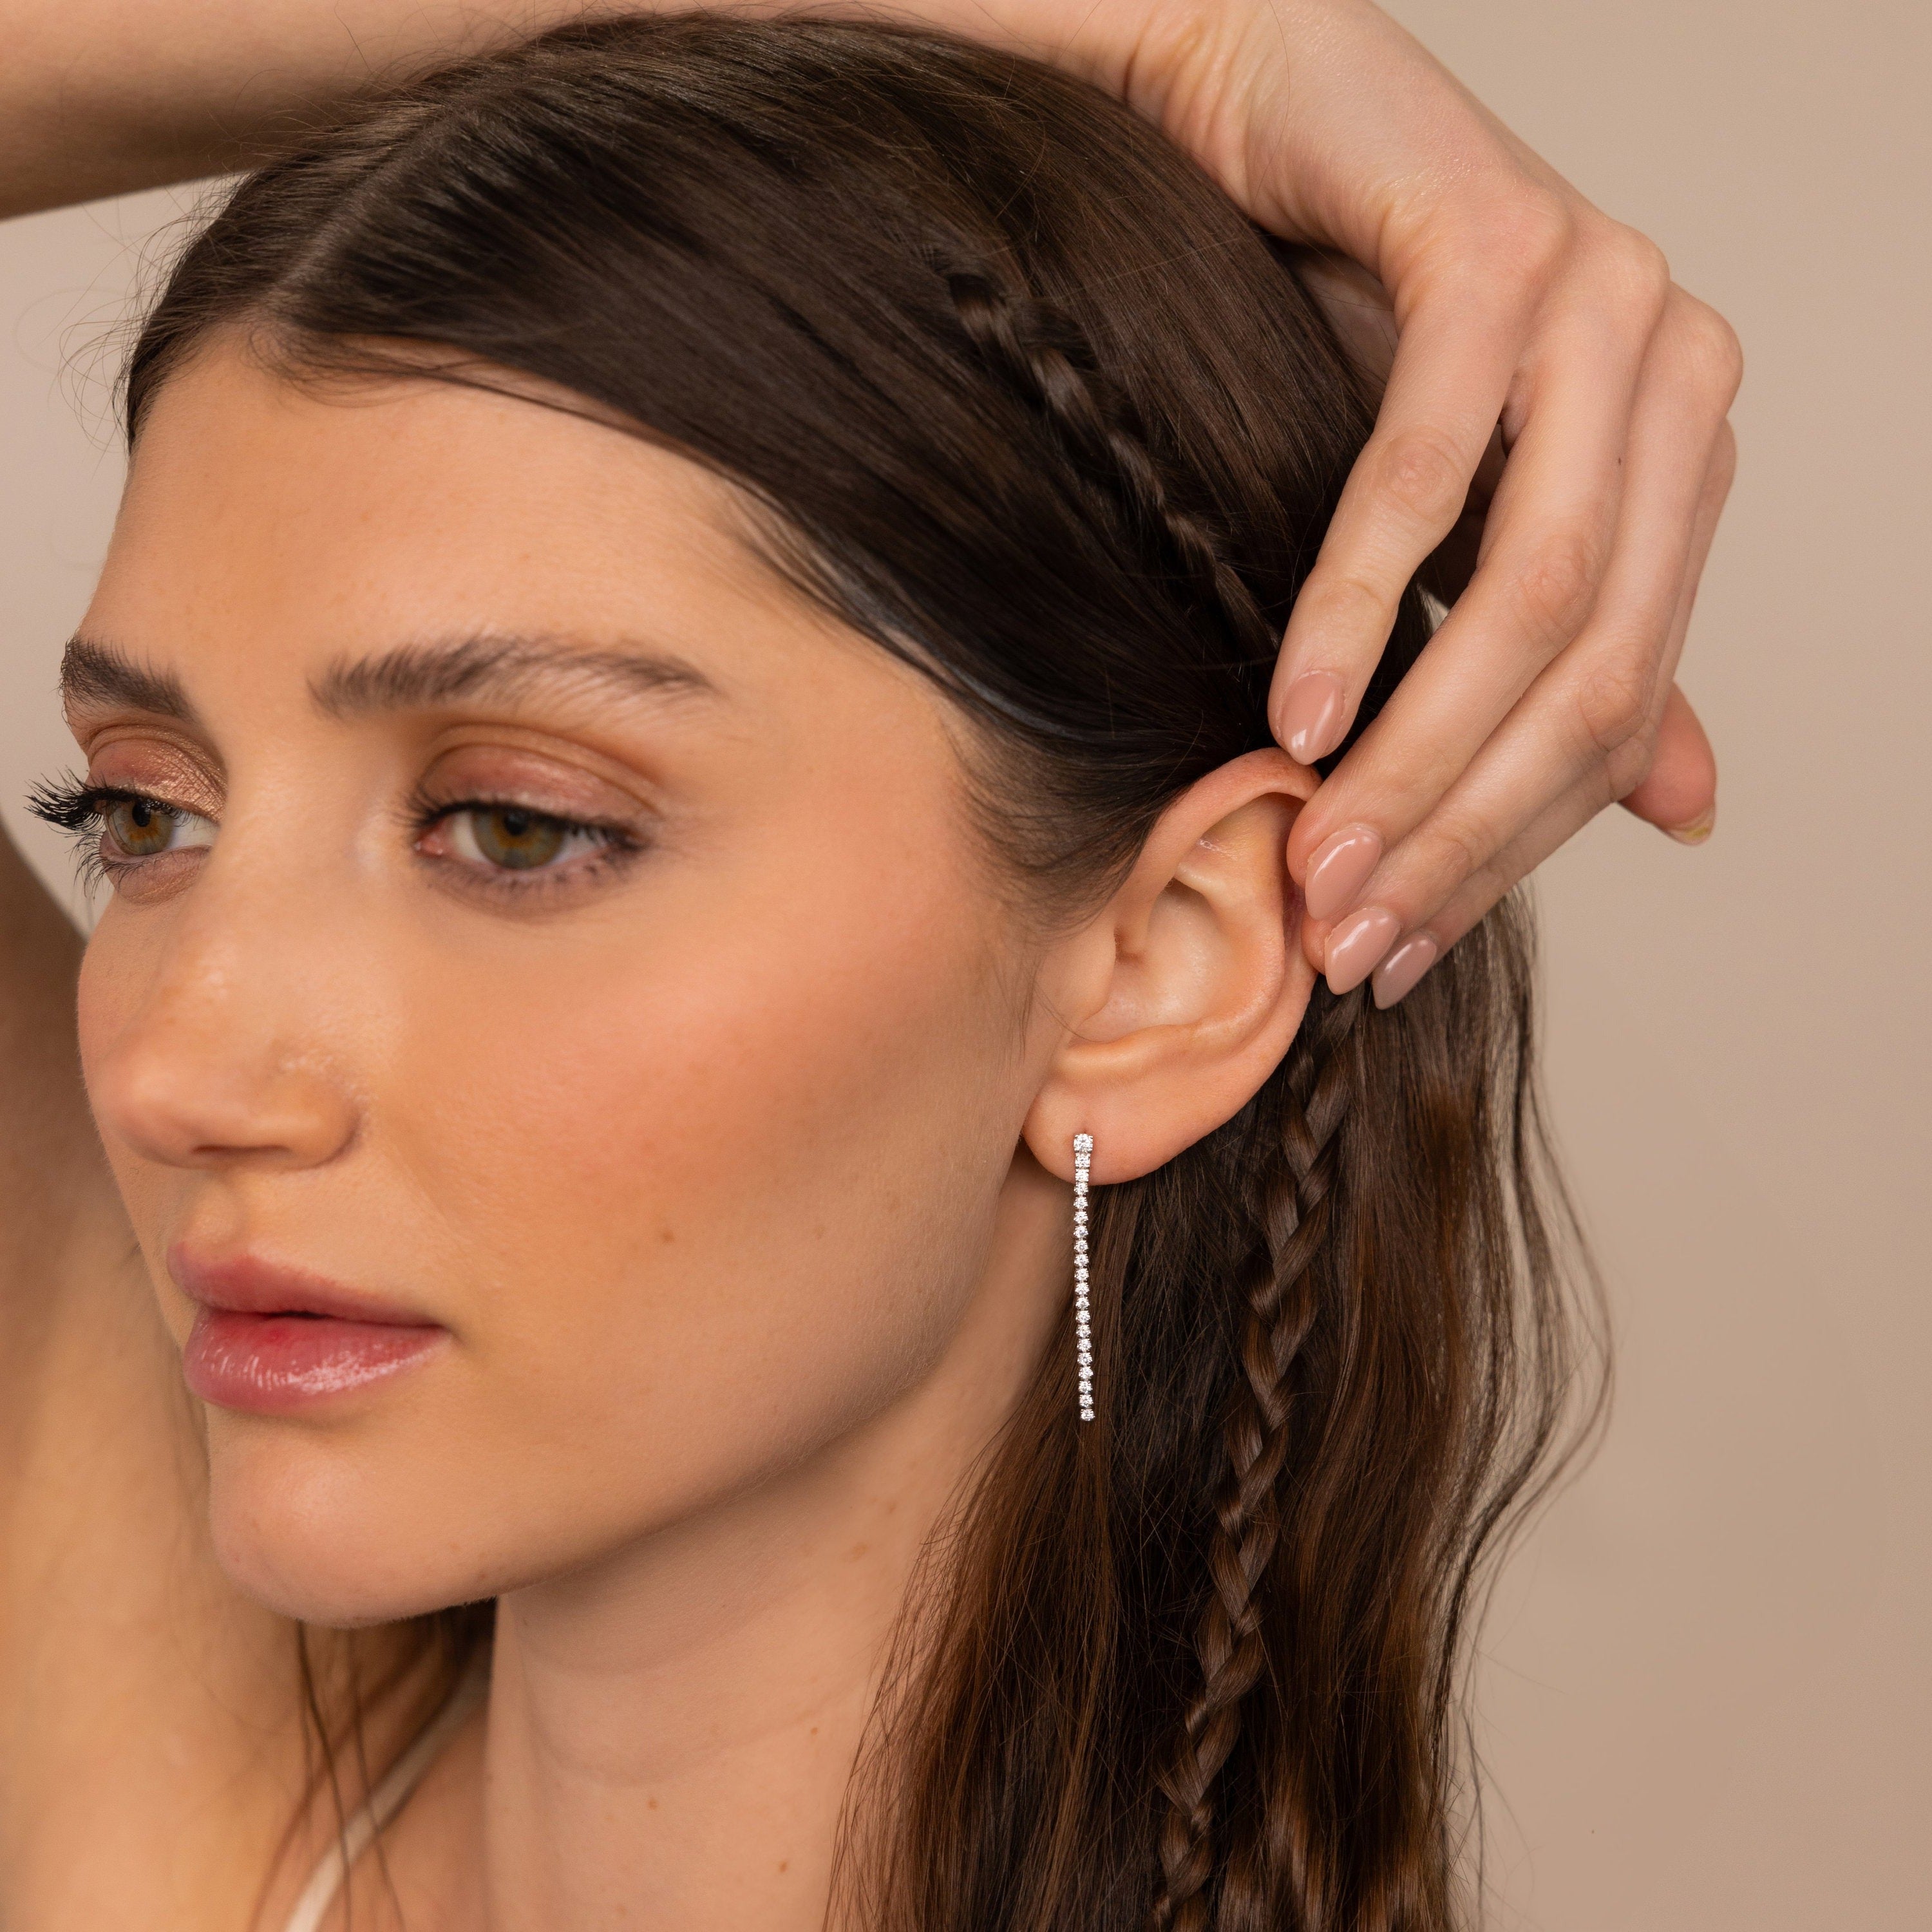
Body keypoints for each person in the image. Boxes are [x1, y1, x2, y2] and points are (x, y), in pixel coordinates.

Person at [0, 8, 1733, 1931]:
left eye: (513, 826)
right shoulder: (163, 1814)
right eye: (144, 818)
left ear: (1163, 969)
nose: (180, 1072)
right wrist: (1158, 27)